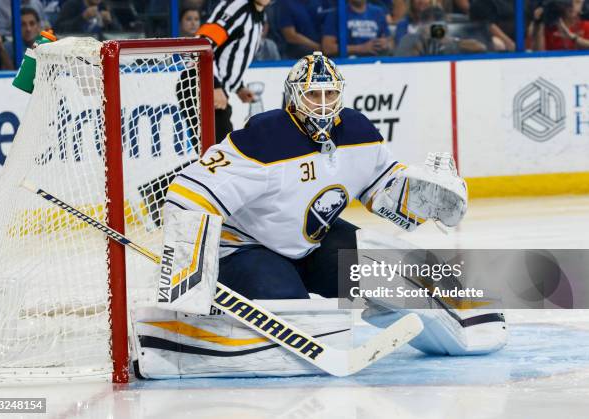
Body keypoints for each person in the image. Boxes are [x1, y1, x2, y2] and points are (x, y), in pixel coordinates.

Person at [157, 52, 505, 376]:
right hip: (247, 248)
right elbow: (189, 194)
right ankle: (204, 328)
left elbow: (384, 187)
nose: (323, 105)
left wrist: (426, 197)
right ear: (294, 97)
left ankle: (450, 330)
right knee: (299, 316)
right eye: (313, 95)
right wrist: (187, 273)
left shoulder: (358, 132)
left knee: (388, 269)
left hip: (311, 245)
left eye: (329, 94)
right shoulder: (263, 138)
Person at [190, 0, 271, 143]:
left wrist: (238, 87)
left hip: (212, 86)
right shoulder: (238, 7)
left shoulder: (259, 15)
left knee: (218, 153)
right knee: (220, 153)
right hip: (200, 83)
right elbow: (201, 44)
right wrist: (213, 85)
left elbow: (228, 53)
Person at [395, 6, 487, 56]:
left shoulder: (451, 39)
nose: (435, 30)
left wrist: (453, 42)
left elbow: (481, 48)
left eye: (439, 25)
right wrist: (420, 44)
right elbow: (401, 63)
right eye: (430, 26)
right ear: (422, 25)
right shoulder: (410, 39)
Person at [321, 0, 391, 56]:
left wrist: (386, 44)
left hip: (376, 64)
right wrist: (361, 48)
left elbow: (391, 43)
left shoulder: (378, 12)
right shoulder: (336, 14)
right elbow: (327, 48)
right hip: (347, 64)